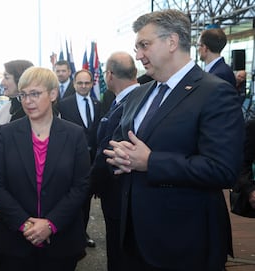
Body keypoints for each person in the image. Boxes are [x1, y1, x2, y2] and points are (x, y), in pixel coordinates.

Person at [104, 9, 244, 270]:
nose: (138, 55)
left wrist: (151, 162)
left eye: (144, 45)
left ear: (172, 42)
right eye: (136, 47)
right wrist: (118, 157)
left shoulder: (216, 92)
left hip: (184, 243)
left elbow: (223, 170)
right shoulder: (139, 93)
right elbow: (119, 146)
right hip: (131, 240)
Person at [0, 66, 90, 271]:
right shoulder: (6, 135)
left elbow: (81, 186)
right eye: (23, 95)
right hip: (13, 241)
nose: (27, 101)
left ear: (53, 94)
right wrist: (24, 224)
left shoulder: (74, 135)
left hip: (60, 242)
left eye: (35, 94)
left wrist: (50, 224)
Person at [90, 51, 139, 271]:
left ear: (110, 75)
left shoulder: (128, 104)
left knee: (120, 258)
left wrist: (85, 186)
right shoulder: (139, 99)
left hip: (120, 197)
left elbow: (106, 154)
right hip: (128, 196)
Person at [58, 69, 102, 248]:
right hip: (71, 159)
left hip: (92, 161)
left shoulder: (97, 104)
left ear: (92, 84)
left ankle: (82, 233)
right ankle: (68, 233)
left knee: (86, 198)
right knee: (71, 197)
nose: (84, 86)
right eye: (80, 83)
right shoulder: (64, 105)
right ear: (74, 84)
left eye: (87, 83)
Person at [0, 59, 34, 157]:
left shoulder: (33, 112)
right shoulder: (6, 107)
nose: (2, 82)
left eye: (6, 77)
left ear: (20, 79)